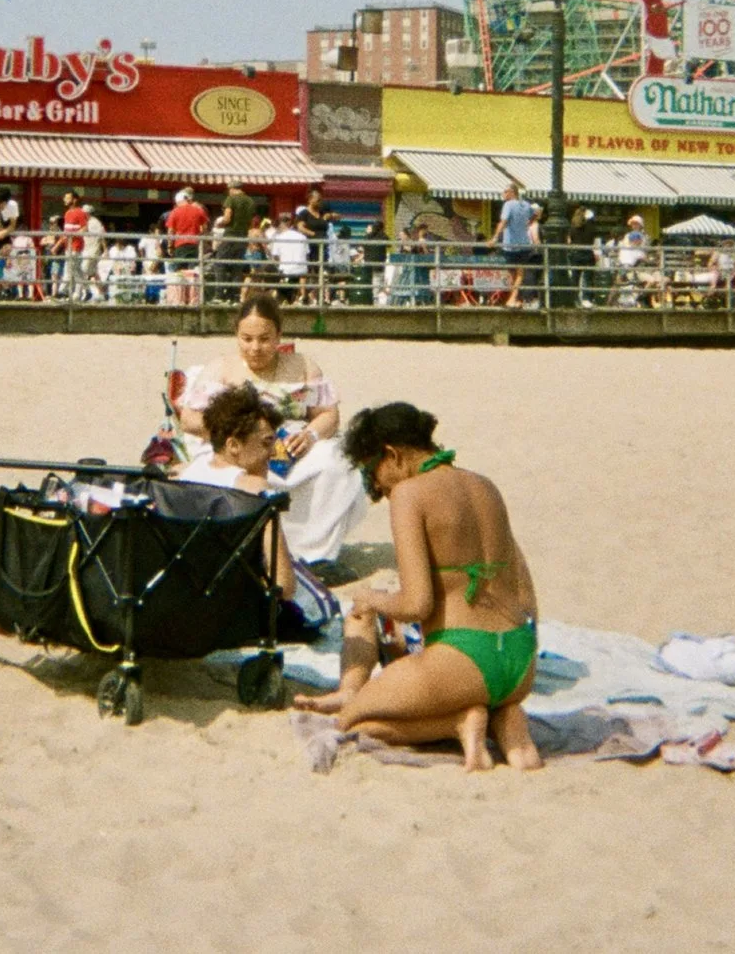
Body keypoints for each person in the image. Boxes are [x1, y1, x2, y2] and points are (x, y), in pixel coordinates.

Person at [293, 402, 542, 772]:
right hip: (521, 658)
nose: (377, 488)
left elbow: (416, 604)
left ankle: (462, 720)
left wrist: (369, 598)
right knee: (439, 690)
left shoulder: (411, 494)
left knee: (351, 722)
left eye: (371, 474)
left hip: (461, 656)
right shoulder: (485, 486)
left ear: (392, 454)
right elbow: (526, 596)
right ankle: (504, 719)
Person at [174, 293, 366, 564]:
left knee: (337, 463)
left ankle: (314, 553)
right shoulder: (221, 369)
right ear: (236, 335)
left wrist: (309, 435)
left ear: (279, 336)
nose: (255, 348)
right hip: (239, 446)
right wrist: (237, 430)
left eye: (264, 339)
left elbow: (328, 415)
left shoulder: (303, 367)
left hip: (292, 445)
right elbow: (190, 420)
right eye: (247, 339)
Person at [178, 383, 339, 634]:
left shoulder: (187, 474)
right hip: (241, 607)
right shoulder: (256, 491)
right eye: (266, 443)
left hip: (192, 600)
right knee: (326, 603)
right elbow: (284, 587)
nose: (273, 454)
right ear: (233, 445)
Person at [491, 184, 538, 307]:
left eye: (505, 192)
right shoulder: (526, 205)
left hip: (510, 245)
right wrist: (528, 223)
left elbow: (503, 221)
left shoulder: (508, 205)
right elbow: (536, 213)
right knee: (519, 273)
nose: (503, 194)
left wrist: (495, 237)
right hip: (524, 245)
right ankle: (515, 298)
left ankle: (512, 298)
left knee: (514, 273)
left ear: (512, 192)